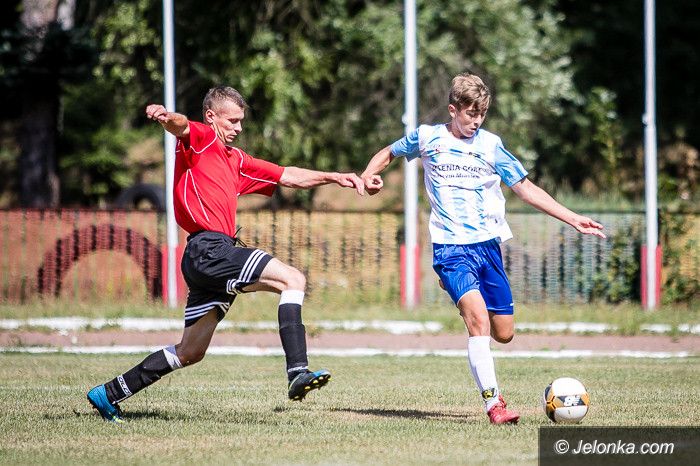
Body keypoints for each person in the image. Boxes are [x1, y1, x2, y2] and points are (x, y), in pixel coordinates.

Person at [87, 86, 365, 423]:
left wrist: (335, 177)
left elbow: (288, 175)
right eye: (232, 121)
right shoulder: (203, 140)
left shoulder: (237, 161)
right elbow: (181, 126)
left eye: (241, 121)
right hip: (209, 250)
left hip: (207, 256)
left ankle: (108, 393)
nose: (238, 127)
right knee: (293, 279)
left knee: (190, 351)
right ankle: (297, 371)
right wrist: (165, 117)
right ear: (211, 117)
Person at [360, 72, 605, 424]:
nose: (476, 121)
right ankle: (494, 404)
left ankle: (458, 288)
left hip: (488, 247)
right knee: (478, 322)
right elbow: (388, 152)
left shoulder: (491, 146)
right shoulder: (428, 137)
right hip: (450, 248)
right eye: (470, 113)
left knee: (504, 333)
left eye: (482, 114)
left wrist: (573, 218)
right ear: (453, 110)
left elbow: (525, 189)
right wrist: (368, 176)